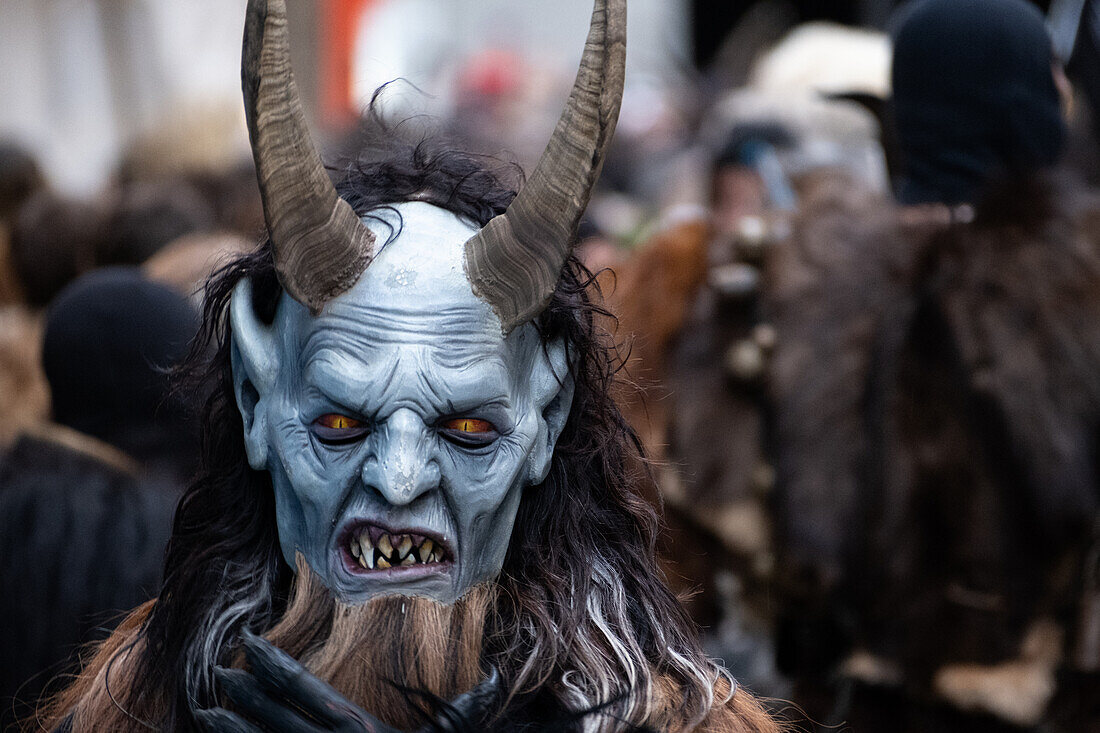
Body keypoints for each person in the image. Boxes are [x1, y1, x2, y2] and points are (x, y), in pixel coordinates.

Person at [39, 1, 781, 730]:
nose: (398, 478)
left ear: (544, 418)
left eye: (464, 428)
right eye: (339, 423)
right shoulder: (133, 708)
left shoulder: (668, 720)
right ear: (256, 393)